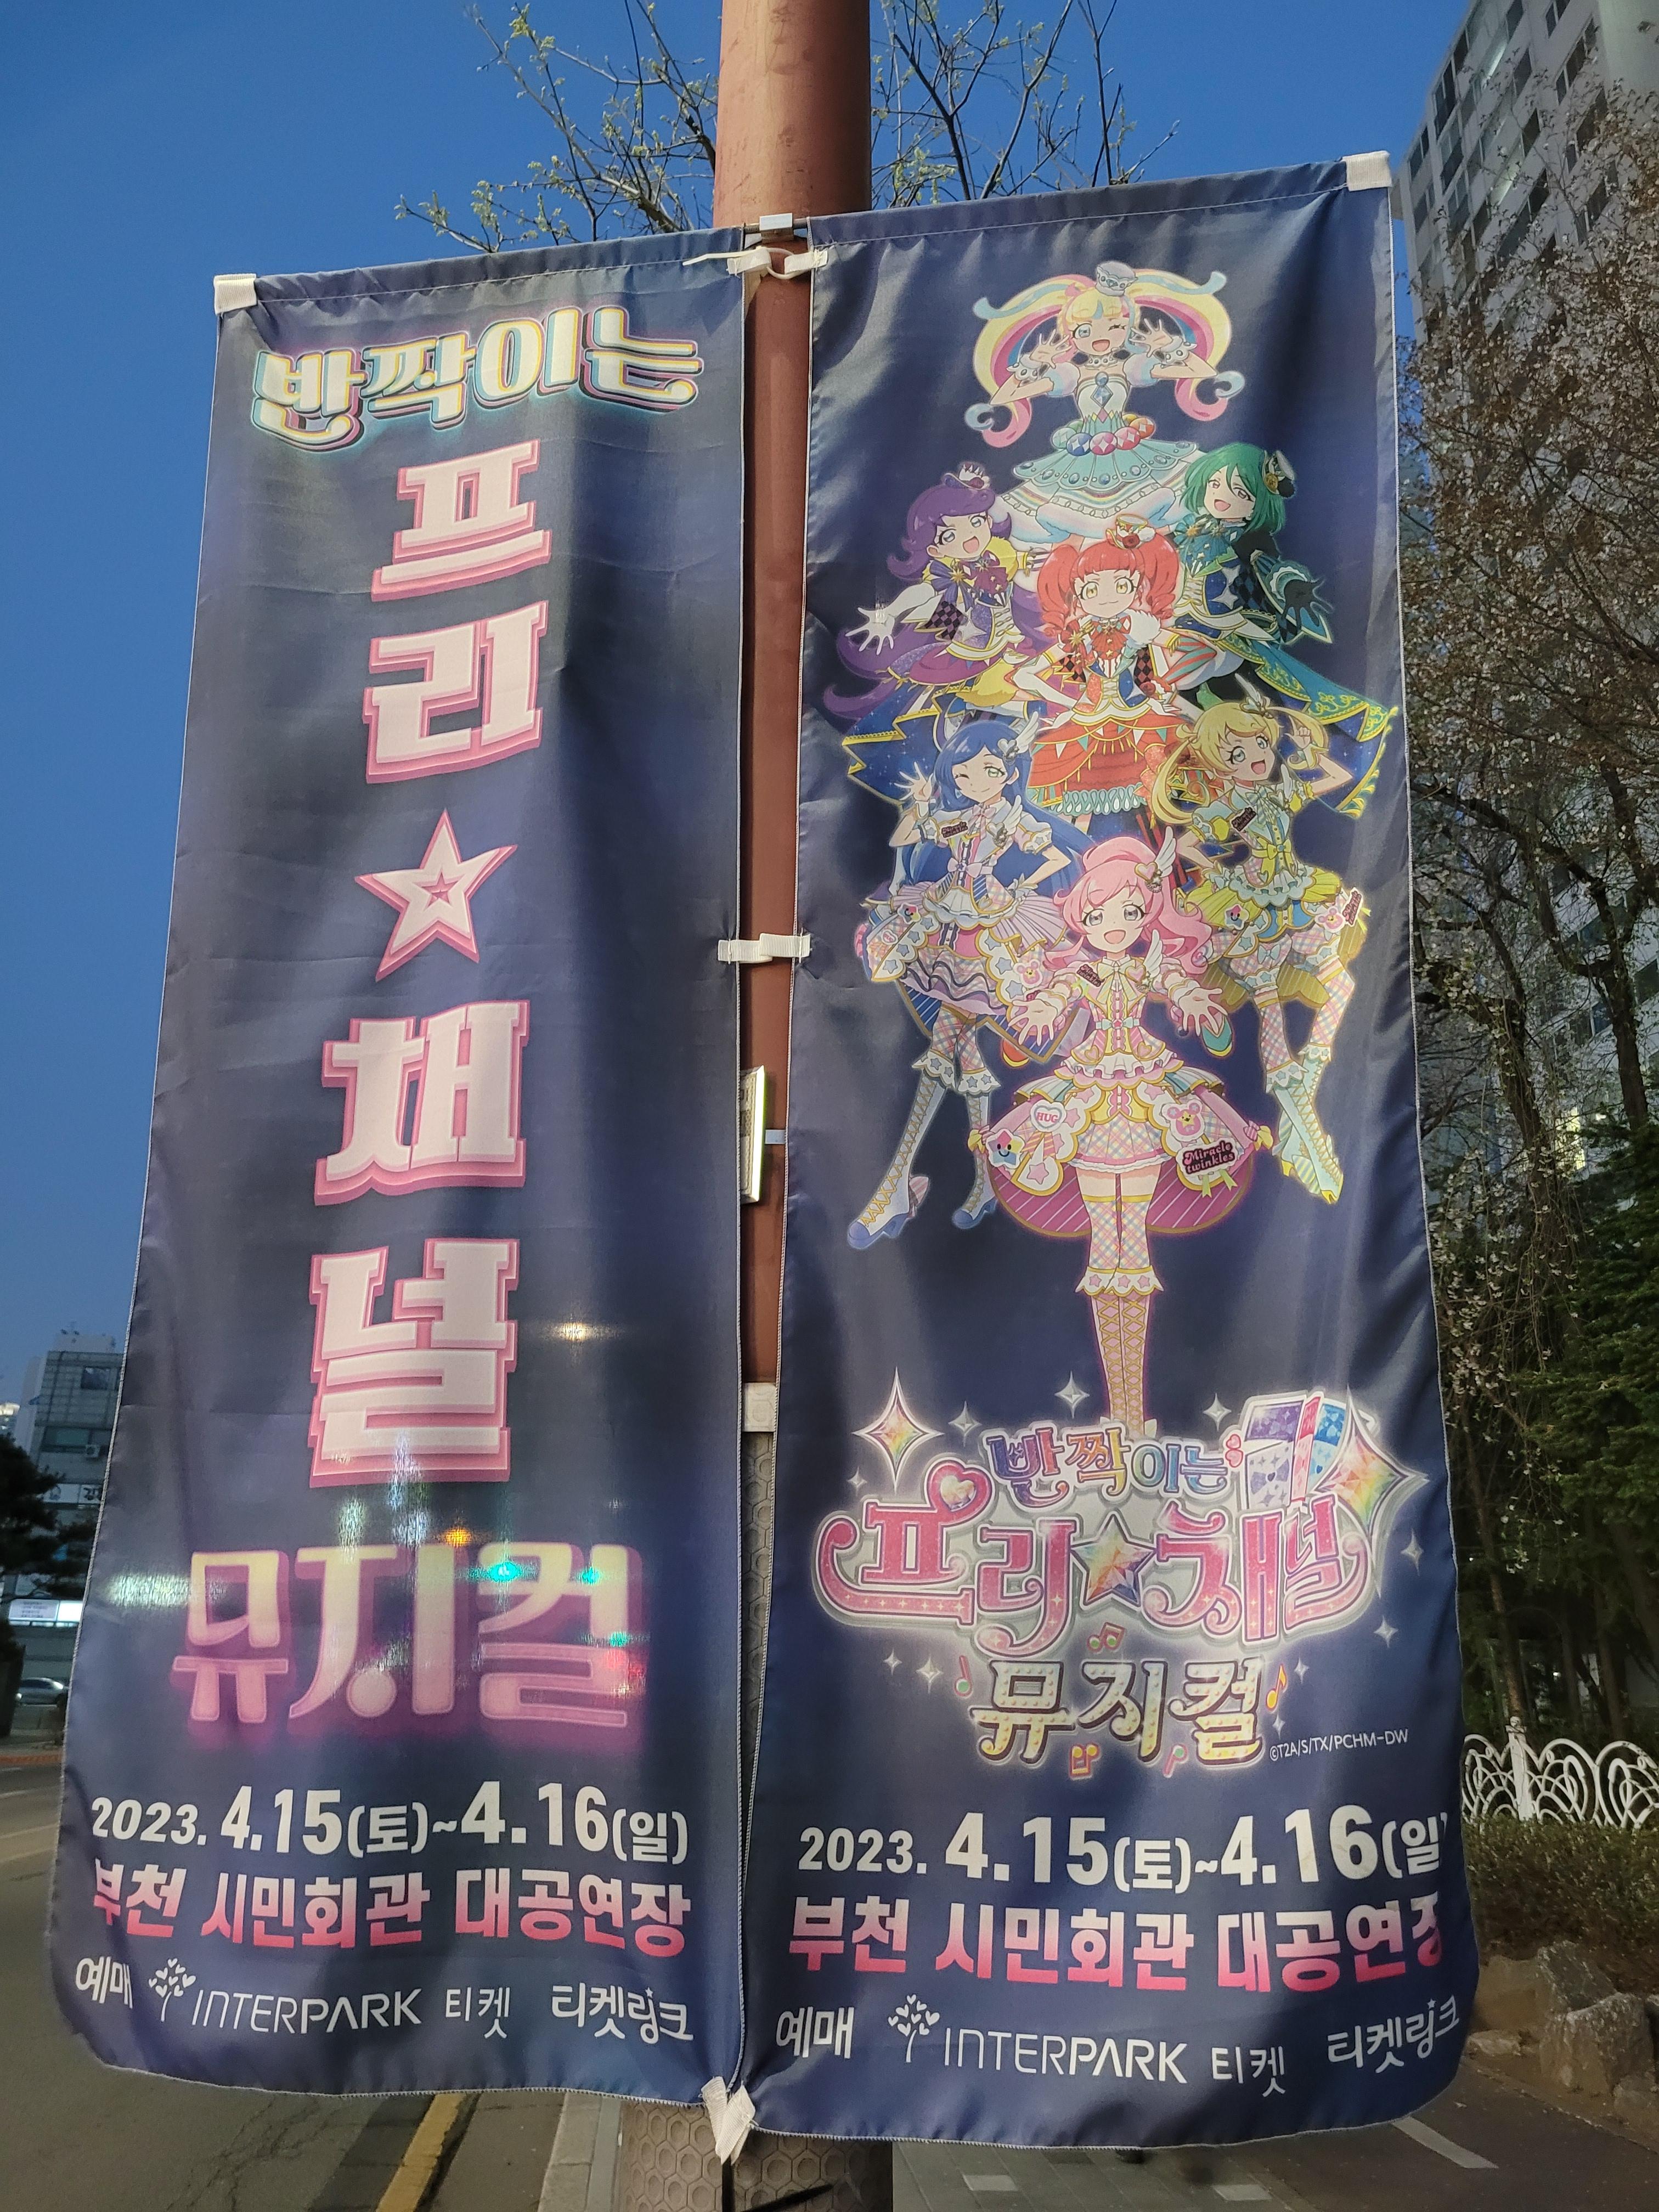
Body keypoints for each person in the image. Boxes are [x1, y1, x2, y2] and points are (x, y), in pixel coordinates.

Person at [983, 837, 1262, 1433]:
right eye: (1100, 912)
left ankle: (1133, 1416)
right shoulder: (1083, 969)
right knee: (1107, 1258)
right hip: (1090, 1106)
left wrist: (1195, 1001)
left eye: (1131, 911)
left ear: (1147, 914)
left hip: (1142, 1104)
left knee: (1128, 1253)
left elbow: (1179, 987)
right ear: (1081, 913)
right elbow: (1056, 998)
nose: (1115, 924)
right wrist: (1038, 1013)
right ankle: (1122, 1414)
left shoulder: (1148, 964)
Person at [850, 720, 1075, 1248]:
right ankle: (985, 1182)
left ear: (1009, 774)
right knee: (966, 1056)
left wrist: (1018, 888)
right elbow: (904, 838)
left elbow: (1057, 856)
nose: (975, 781)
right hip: (946, 922)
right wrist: (921, 806)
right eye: (965, 772)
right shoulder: (958, 817)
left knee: (944, 1050)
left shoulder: (1012, 818)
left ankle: (895, 1185)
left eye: (988, 771)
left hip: (986, 932)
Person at [1152, 699, 1368, 1203]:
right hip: (1251, 909)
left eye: (1259, 746)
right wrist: (1220, 871)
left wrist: (1309, 749)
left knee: (1342, 981)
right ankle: (1300, 1116)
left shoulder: (1278, 792)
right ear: (1220, 761)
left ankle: (1304, 1086)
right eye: (1238, 753)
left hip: (1296, 896)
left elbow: (1337, 776)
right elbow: (1186, 845)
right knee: (1269, 1004)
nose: (1254, 758)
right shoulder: (1228, 805)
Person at [1013, 522, 1197, 829]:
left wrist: (1166, 682)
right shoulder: (1079, 635)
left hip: (1138, 713)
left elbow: (1193, 649)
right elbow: (1024, 676)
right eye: (1092, 589)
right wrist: (1067, 702)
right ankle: (1073, 842)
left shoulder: (1141, 626)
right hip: (1089, 718)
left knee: (1166, 778)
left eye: (1121, 586)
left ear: (1137, 585)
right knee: (1055, 769)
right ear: (1077, 595)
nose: (1107, 597)